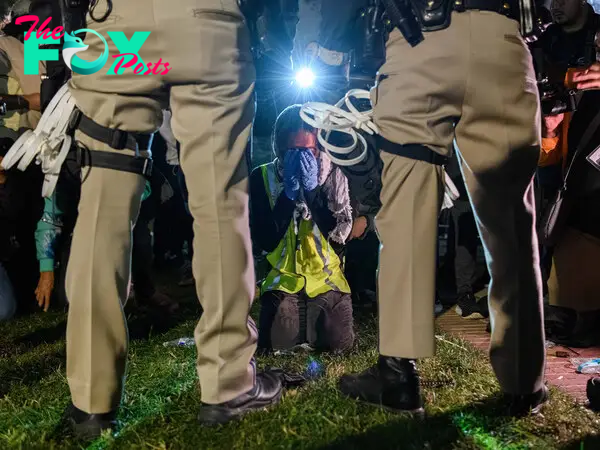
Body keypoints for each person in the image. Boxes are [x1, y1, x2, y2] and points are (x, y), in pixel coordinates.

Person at [61, 0, 283, 439]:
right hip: (207, 20)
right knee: (220, 202)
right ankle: (228, 382)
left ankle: (91, 399)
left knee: (102, 198)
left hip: (118, 21)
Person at [337, 0, 549, 416]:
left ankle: (398, 373)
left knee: (404, 217)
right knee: (511, 224)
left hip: (419, 41)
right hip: (501, 38)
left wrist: (321, 44)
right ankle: (524, 382)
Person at [251, 105, 355, 353]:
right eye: (293, 151)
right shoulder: (262, 176)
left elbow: (338, 240)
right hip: (283, 280)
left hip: (326, 279)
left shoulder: (335, 175)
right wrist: (288, 195)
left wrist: (312, 194)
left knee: (337, 343)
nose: (301, 159)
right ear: (280, 148)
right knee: (277, 340)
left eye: (308, 151)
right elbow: (266, 239)